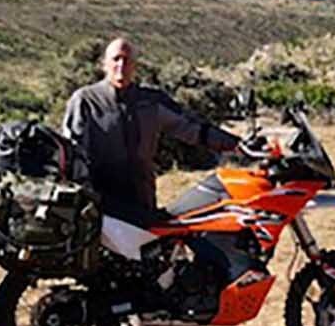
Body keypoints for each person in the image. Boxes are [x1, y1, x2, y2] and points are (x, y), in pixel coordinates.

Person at [62, 36, 241, 226]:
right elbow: (73, 151)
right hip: (99, 204)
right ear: (104, 64)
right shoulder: (86, 100)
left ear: (135, 66)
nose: (121, 65)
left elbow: (192, 128)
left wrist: (236, 144)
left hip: (140, 199)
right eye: (116, 59)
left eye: (127, 59)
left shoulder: (151, 102)